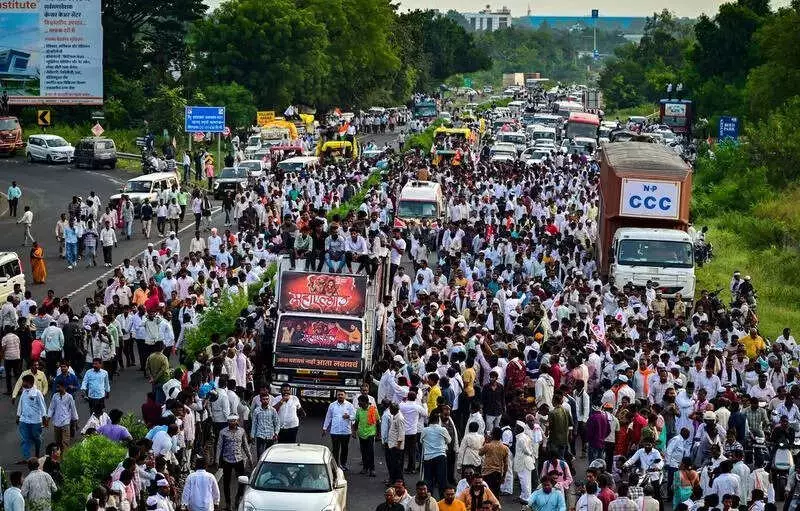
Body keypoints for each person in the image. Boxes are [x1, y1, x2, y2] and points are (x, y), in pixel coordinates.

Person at [215, 414, 251, 509]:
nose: (232, 423)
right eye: (230, 421)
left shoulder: (242, 431)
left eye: (234, 421)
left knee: (242, 481)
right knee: (226, 483)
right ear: (228, 422)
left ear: (237, 421)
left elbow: (245, 445)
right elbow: (219, 446)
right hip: (227, 460)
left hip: (239, 459)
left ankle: (238, 498)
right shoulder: (223, 432)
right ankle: (228, 504)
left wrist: (250, 458)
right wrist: (217, 460)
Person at [16, 373, 47, 461]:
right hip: (24, 420)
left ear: (29, 382)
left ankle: (37, 453)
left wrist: (44, 417)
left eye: (24, 382)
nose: (22, 383)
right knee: (25, 439)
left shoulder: (37, 393)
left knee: (36, 437)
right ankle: (27, 458)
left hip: (35, 421)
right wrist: (18, 416)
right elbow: (20, 404)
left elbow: (42, 406)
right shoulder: (24, 392)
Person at [323, 389, 356, 470]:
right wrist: (325, 428)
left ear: (345, 396)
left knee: (345, 449)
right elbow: (328, 417)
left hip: (346, 431)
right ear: (336, 396)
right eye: (339, 395)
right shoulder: (332, 405)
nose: (340, 396)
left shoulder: (349, 405)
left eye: (342, 394)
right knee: (335, 449)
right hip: (335, 431)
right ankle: (335, 465)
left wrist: (349, 417)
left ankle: (343, 464)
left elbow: (355, 416)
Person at [421, 414, 451, 499]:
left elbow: (421, 441)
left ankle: (429, 500)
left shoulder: (424, 430)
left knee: (428, 480)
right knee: (442, 480)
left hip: (428, 457)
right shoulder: (442, 429)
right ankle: (443, 499)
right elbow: (449, 440)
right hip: (440, 456)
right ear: (438, 421)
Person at [47, 379, 79, 451]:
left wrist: (76, 422)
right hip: (56, 423)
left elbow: (73, 409)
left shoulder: (69, 397)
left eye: (59, 387)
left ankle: (65, 457)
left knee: (65, 443)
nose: (57, 389)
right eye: (57, 387)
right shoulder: (55, 396)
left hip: (65, 422)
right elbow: (51, 408)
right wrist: (48, 419)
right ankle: (58, 456)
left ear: (64, 387)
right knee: (58, 443)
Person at [353, 393, 378, 477]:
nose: (358, 404)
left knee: (370, 452)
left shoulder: (373, 410)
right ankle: (365, 468)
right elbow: (356, 422)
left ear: (365, 402)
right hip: (361, 434)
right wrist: (354, 432)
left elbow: (378, 422)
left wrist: (379, 434)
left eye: (359, 402)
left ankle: (372, 469)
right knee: (363, 452)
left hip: (370, 434)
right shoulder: (359, 410)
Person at [250, 393, 280, 458]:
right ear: (260, 400)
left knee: (269, 455)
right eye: (263, 399)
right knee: (260, 455)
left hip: (270, 435)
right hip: (260, 435)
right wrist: (252, 436)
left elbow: (277, 423)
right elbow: (254, 424)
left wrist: (276, 433)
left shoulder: (273, 410)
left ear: (269, 400)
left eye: (267, 399)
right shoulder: (256, 411)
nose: (265, 401)